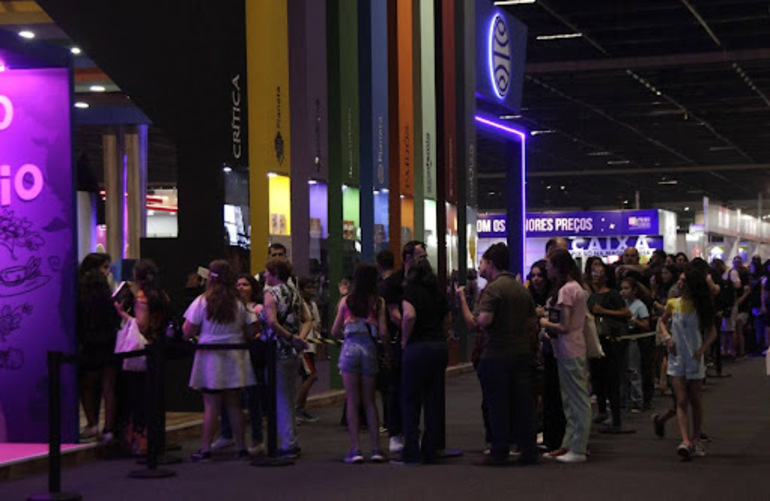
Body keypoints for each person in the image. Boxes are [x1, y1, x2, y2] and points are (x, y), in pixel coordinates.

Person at [457, 243, 537, 466]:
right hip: (521, 352)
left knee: (497, 405)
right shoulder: (521, 289)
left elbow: (480, 322)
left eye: (482, 261)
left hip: (496, 354)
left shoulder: (492, 290)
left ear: (491, 264)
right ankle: (528, 449)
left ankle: (499, 450)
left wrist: (462, 300)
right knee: (522, 404)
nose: (480, 266)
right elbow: (532, 321)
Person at [183, 260, 258, 461]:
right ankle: (242, 447)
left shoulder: (202, 301)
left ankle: (205, 449)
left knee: (211, 405)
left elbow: (187, 329)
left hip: (209, 356)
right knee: (234, 403)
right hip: (235, 355)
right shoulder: (240, 303)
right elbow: (252, 331)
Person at [332, 264, 390, 464]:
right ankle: (376, 448)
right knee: (370, 401)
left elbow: (334, 331)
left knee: (352, 401)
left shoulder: (346, 301)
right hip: (369, 348)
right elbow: (383, 332)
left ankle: (355, 449)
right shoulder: (378, 302)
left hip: (350, 347)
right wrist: (388, 352)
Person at [658, 269, 718, 459]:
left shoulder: (702, 307)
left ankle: (696, 438)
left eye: (684, 280)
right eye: (680, 279)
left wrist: (702, 350)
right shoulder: (672, 304)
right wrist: (667, 337)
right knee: (681, 399)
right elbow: (661, 321)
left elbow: (713, 332)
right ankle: (685, 440)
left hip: (694, 357)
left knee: (696, 400)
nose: (680, 283)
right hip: (677, 357)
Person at [115, 259, 172, 455]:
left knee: (138, 398)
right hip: (159, 348)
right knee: (155, 397)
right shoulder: (163, 296)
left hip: (144, 349)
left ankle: (141, 443)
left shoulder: (142, 298)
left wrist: (123, 314)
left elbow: (142, 324)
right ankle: (156, 439)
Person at [398, 257, 451, 465]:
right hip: (438, 347)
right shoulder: (438, 295)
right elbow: (447, 321)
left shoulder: (410, 291)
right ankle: (431, 449)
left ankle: (411, 450)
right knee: (433, 399)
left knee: (410, 401)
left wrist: (404, 339)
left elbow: (409, 316)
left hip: (417, 347)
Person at [539, 249, 590, 463]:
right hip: (571, 348)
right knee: (569, 399)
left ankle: (578, 447)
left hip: (569, 348)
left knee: (577, 400)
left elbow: (564, 325)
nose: (546, 269)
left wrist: (543, 323)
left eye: (549, 265)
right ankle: (569, 443)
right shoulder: (575, 287)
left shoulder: (567, 290)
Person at [258, 257, 311, 459]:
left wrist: (288, 337)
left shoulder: (270, 293)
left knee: (280, 398)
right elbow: (308, 319)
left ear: (275, 273)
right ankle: (291, 440)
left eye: (267, 272)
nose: (264, 275)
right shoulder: (295, 294)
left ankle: (288, 443)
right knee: (289, 396)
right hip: (293, 353)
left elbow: (271, 321)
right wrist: (299, 339)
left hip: (276, 351)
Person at [211, 274, 265, 455]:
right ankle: (227, 434)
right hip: (233, 356)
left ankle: (257, 438)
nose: (241, 287)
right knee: (229, 396)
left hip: (251, 355)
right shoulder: (230, 307)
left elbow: (256, 332)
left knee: (253, 398)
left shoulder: (256, 308)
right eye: (238, 284)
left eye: (245, 284)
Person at [380, 241, 426, 454]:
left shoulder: (426, 282)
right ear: (407, 258)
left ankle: (413, 431)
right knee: (395, 388)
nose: (423, 260)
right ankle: (395, 432)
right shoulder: (394, 283)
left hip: (418, 342)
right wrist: (410, 328)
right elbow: (394, 315)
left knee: (416, 391)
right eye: (419, 256)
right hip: (400, 340)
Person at [77, 253, 121, 441]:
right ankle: (109, 429)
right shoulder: (107, 298)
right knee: (109, 388)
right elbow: (115, 320)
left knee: (87, 386)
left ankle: (92, 424)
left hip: (90, 345)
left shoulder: (80, 297)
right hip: (110, 343)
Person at [587, 262, 631, 433]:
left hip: (610, 340)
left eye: (599, 273)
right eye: (593, 272)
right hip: (596, 340)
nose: (595, 276)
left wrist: (604, 311)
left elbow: (626, 313)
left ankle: (616, 417)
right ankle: (602, 411)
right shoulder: (591, 297)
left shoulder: (612, 295)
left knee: (612, 379)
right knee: (598, 379)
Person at [530, 260, 565, 453]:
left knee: (551, 392)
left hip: (554, 349)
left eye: (540, 275)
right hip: (535, 349)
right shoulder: (528, 295)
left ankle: (551, 433)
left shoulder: (556, 295)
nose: (536, 279)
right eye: (533, 275)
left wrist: (542, 317)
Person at [619, 276, 651, 412]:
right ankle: (625, 399)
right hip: (623, 338)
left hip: (634, 339)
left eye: (626, 288)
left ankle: (637, 400)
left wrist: (632, 319)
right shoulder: (623, 304)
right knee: (623, 371)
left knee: (633, 370)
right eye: (622, 288)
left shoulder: (639, 305)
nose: (623, 292)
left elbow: (646, 325)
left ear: (634, 290)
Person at [296, 277, 321, 423]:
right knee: (312, 376)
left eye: (313, 287)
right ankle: (297, 408)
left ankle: (302, 409)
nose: (312, 291)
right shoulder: (299, 305)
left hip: (312, 346)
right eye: (308, 288)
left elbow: (317, 323)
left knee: (308, 376)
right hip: (304, 347)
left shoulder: (313, 305)